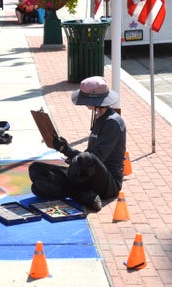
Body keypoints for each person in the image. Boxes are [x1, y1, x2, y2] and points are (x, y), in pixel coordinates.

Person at [29, 76, 126, 212]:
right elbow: (88, 156)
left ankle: (80, 194)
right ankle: (81, 194)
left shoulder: (113, 123)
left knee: (82, 159)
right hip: (89, 176)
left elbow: (95, 158)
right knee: (36, 171)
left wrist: (73, 157)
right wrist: (65, 149)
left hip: (108, 183)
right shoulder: (99, 117)